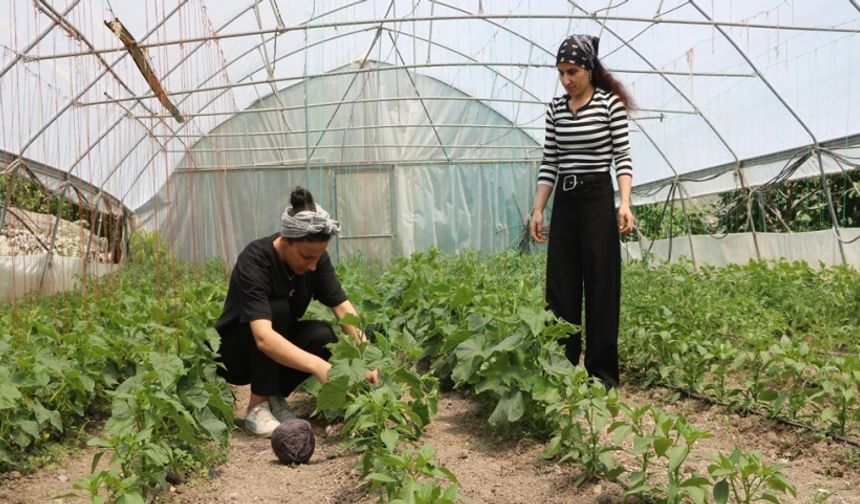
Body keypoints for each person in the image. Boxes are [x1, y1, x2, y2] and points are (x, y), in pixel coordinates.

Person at [215, 186, 379, 437]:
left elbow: (343, 307)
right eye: (306, 257)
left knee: (322, 335)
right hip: (236, 354)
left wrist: (368, 358)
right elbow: (262, 336)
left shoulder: (316, 260)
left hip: (272, 349)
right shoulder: (256, 259)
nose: (313, 266)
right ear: (286, 240)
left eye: (318, 257)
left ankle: (274, 398)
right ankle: (256, 407)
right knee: (277, 308)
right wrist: (317, 366)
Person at [529, 34, 635, 389]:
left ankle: (602, 375)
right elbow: (551, 162)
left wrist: (625, 203)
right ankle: (562, 366)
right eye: (560, 73)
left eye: (572, 71)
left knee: (602, 284)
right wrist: (539, 209)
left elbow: (622, 158)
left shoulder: (609, 106)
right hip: (566, 201)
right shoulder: (555, 110)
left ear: (588, 69)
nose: (566, 80)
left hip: (597, 199)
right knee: (561, 287)